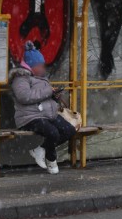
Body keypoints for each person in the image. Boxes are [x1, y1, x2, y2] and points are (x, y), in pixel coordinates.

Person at [9, 41, 76, 174]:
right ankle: (51, 161)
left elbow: (44, 96)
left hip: (47, 115)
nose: (43, 67)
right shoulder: (20, 78)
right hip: (29, 117)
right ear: (32, 66)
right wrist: (48, 92)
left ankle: (40, 150)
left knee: (69, 130)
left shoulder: (42, 78)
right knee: (53, 133)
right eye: (40, 65)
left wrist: (54, 96)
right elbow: (24, 96)